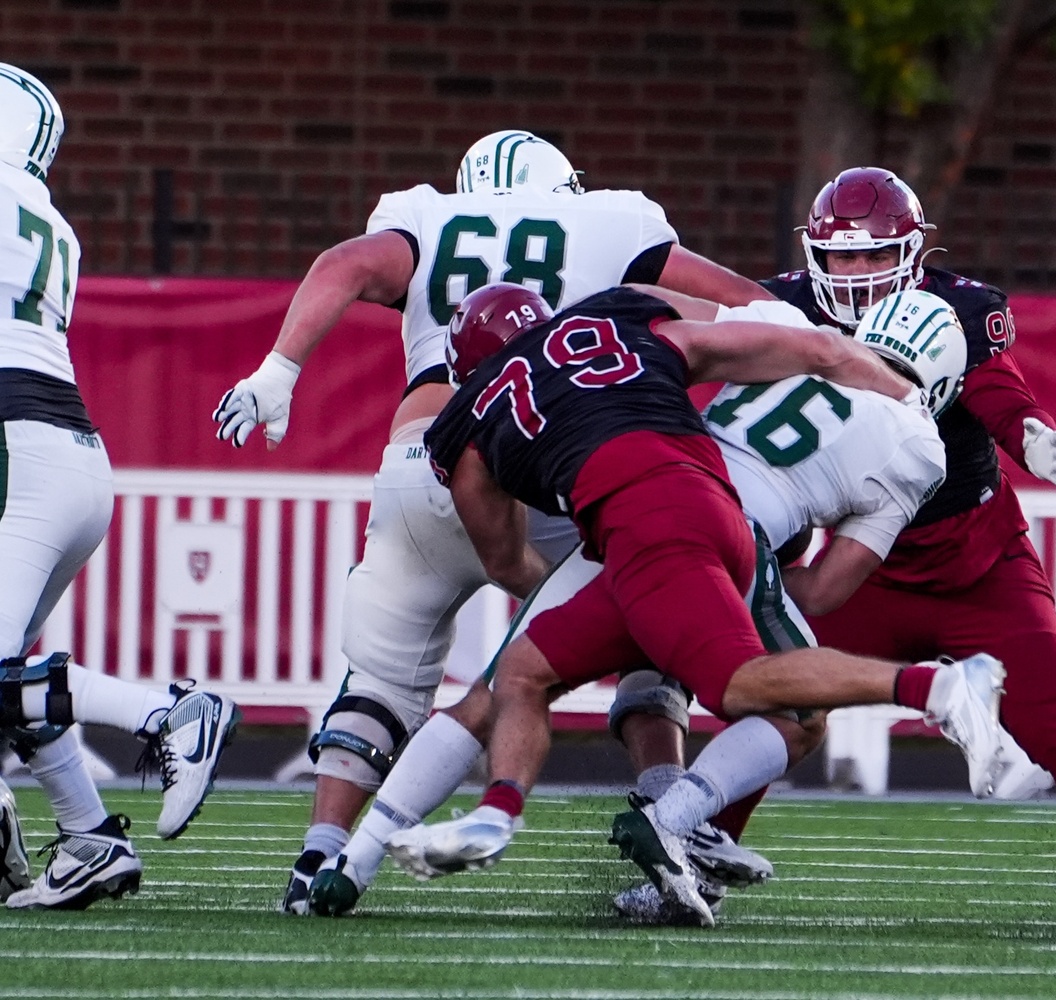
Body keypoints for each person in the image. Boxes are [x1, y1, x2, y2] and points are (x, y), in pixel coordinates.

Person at [211, 130, 776, 914]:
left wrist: (279, 370)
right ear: (562, 185)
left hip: (423, 459)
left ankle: (322, 856)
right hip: (550, 470)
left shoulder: (425, 217)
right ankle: (664, 806)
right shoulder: (612, 223)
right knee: (644, 616)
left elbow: (344, 263)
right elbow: (743, 305)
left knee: (379, 681)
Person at [311, 283, 958, 922]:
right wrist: (904, 400)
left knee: (507, 686)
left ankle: (364, 856)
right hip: (703, 505)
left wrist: (576, 586)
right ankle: (674, 818)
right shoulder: (621, 324)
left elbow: (506, 559)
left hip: (631, 526)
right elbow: (809, 350)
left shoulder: (470, 411)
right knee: (767, 701)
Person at [723, 166, 1056, 936]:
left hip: (975, 562)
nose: (854, 273)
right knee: (773, 700)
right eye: (841, 257)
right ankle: (702, 852)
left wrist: (1026, 433)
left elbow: (993, 388)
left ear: (913, 252)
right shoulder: (777, 306)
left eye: (871, 255)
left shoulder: (959, 306)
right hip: (862, 565)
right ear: (813, 254)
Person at [0, 63, 238, 910]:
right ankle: (90, 840)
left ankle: (166, 715)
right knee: (9, 675)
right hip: (68, 454)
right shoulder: (52, 223)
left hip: (12, 449)